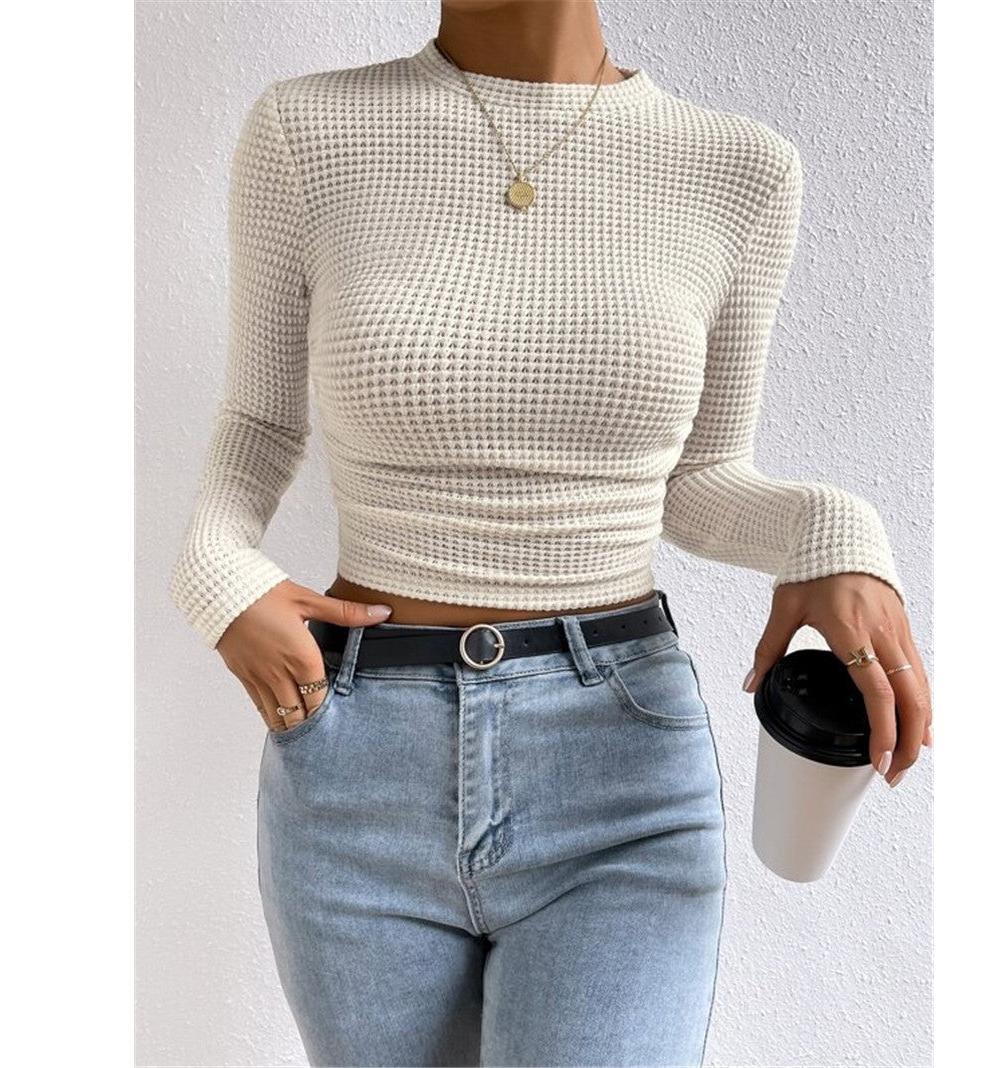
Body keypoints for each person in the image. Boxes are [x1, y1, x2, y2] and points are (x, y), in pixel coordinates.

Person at [170, 2, 931, 1064]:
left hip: (618, 771)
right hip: (357, 765)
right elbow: (258, 425)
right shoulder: (308, 131)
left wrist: (838, 532)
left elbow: (700, 481)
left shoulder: (741, 169)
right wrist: (217, 574)